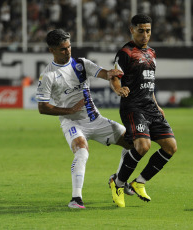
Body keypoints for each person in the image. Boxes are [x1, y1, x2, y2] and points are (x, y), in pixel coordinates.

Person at [36, 29, 133, 209]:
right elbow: (42, 107)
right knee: (81, 151)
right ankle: (76, 198)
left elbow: (105, 74)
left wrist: (114, 77)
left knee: (133, 143)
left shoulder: (81, 64)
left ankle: (119, 179)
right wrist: (70, 110)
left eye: (69, 46)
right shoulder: (48, 75)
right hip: (71, 122)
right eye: (63, 49)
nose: (68, 51)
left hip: (95, 119)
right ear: (52, 50)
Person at [108, 14, 177, 208]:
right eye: (141, 31)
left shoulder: (152, 53)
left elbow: (149, 83)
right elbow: (114, 76)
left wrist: (156, 104)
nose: (145, 35)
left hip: (150, 106)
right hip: (133, 107)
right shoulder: (126, 52)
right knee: (142, 146)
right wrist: (118, 89)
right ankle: (118, 183)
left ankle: (139, 182)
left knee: (170, 146)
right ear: (132, 30)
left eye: (148, 31)